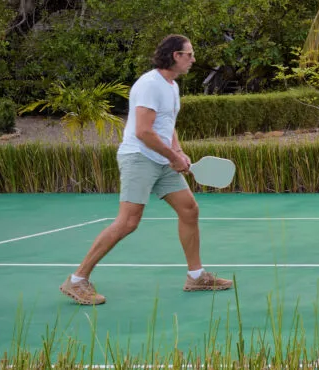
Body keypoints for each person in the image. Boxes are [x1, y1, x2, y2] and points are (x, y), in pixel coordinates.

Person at [61, 35, 233, 305]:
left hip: (162, 160)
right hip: (139, 158)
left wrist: (177, 151)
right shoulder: (150, 84)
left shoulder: (171, 86)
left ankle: (196, 276)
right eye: (190, 54)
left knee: (189, 209)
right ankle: (77, 280)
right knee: (128, 222)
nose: (193, 59)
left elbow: (167, 123)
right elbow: (143, 131)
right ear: (175, 55)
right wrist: (171, 157)